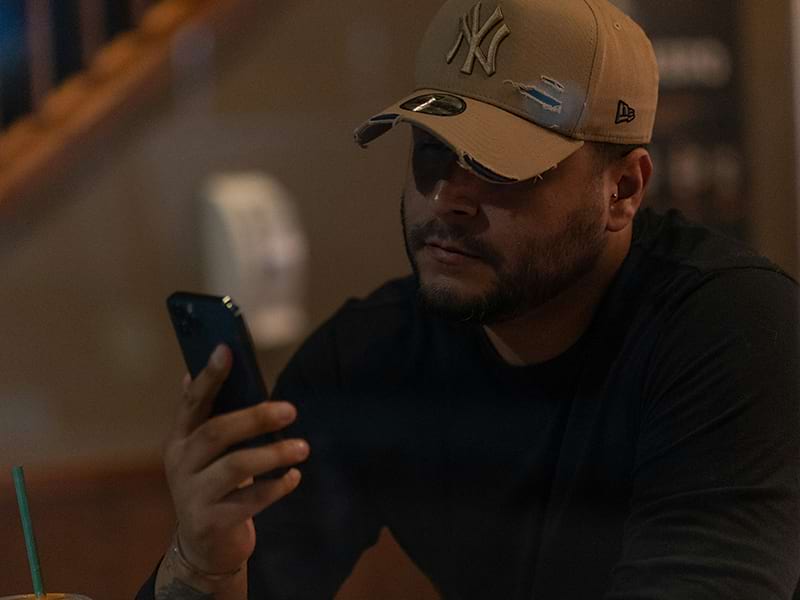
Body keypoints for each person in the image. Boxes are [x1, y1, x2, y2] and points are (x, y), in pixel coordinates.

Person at [138, 0, 800, 598]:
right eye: (432, 153)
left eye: (498, 166)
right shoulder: (371, 357)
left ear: (623, 190)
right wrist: (204, 564)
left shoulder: (731, 328)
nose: (447, 197)